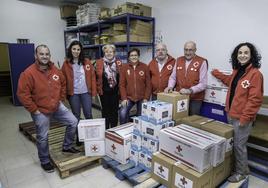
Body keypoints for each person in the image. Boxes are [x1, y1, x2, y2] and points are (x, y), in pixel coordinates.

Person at [17, 45, 79, 173]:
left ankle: (67, 146)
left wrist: (61, 99)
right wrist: (34, 110)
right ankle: (45, 160)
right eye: (41, 54)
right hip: (40, 110)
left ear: (50, 56)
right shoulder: (28, 73)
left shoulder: (55, 70)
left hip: (56, 106)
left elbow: (63, 83)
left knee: (73, 122)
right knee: (43, 137)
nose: (44, 56)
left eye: (47, 54)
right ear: (36, 56)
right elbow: (22, 94)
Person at [212, 42, 263, 183]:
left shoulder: (255, 74)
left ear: (252, 55)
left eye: (246, 53)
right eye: (240, 53)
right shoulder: (237, 71)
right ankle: (240, 168)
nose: (242, 55)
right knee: (235, 144)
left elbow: (255, 99)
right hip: (231, 114)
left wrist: (245, 118)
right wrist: (217, 74)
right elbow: (230, 82)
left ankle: (242, 173)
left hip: (242, 118)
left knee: (239, 146)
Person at [61, 40, 97, 145]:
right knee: (76, 115)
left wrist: (94, 93)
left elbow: (93, 78)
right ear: (70, 50)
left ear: (81, 51)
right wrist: (63, 96)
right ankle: (79, 136)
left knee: (88, 114)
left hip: (86, 92)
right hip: (74, 94)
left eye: (78, 49)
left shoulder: (87, 62)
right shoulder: (66, 64)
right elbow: (63, 81)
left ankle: (90, 135)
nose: (76, 51)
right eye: (74, 49)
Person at [164, 41, 208, 115]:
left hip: (195, 99)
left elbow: (203, 84)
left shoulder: (202, 62)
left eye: (190, 50)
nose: (187, 52)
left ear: (195, 50)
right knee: (179, 118)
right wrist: (170, 86)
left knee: (192, 121)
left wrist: (190, 90)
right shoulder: (178, 60)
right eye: (186, 50)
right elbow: (173, 77)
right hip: (180, 97)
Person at [120, 48, 151, 124]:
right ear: (129, 57)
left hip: (142, 97)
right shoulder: (124, 67)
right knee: (122, 113)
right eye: (131, 55)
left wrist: (146, 98)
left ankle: (138, 131)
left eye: (135, 55)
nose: (134, 57)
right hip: (129, 97)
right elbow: (122, 85)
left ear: (138, 56)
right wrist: (124, 98)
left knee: (141, 116)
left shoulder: (145, 67)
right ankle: (124, 130)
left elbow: (148, 84)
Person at [95, 44, 123, 129]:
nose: (109, 53)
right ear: (104, 53)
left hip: (115, 92)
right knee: (105, 112)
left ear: (114, 53)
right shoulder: (99, 62)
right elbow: (95, 76)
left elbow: (122, 77)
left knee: (114, 111)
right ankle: (106, 129)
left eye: (111, 51)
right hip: (104, 92)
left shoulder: (118, 62)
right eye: (106, 52)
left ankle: (114, 129)